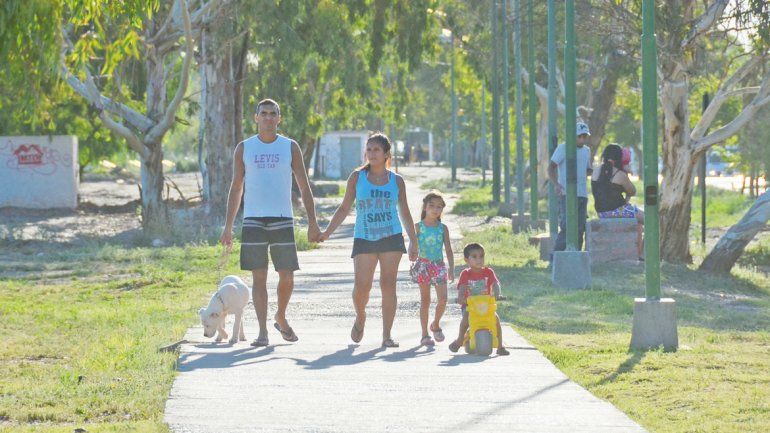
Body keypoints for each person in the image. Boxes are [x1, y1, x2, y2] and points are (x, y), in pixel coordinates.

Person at [220, 98, 321, 347]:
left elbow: (303, 186)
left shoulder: (290, 147)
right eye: (263, 113)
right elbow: (236, 187)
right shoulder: (245, 148)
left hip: (282, 218)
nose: (267, 118)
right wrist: (228, 226)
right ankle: (263, 332)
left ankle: (280, 316)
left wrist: (313, 222)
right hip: (253, 220)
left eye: (272, 114)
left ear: (279, 118)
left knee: (286, 275)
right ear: (256, 118)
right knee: (259, 277)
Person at [321, 132, 418, 348]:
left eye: (376, 150)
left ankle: (387, 335)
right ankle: (361, 316)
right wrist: (327, 232)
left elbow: (404, 211)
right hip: (364, 237)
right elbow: (344, 207)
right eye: (369, 149)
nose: (372, 153)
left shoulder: (397, 181)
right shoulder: (357, 178)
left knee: (388, 285)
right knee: (362, 287)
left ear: (386, 154)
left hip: (391, 237)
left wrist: (413, 240)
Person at [448, 243, 510, 356]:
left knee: (496, 320)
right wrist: (461, 297)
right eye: (475, 256)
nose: (479, 259)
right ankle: (459, 340)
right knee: (466, 319)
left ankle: (500, 346)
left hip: (487, 306)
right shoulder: (466, 274)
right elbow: (462, 286)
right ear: (466, 259)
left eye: (481, 256)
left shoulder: (488, 272)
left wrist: (498, 294)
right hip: (470, 306)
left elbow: (496, 283)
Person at [410, 191, 455, 347]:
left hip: (439, 265)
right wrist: (411, 252)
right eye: (432, 206)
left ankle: (435, 324)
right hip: (423, 265)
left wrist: (452, 267)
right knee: (425, 300)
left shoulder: (443, 228)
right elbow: (412, 245)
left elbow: (448, 249)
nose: (435, 209)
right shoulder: (417, 227)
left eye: (439, 207)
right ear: (425, 207)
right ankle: (424, 334)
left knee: (443, 299)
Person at [591, 144, 645, 260]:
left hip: (601, 213)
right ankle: (642, 254)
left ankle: (638, 253)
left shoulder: (596, 171)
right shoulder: (619, 175)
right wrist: (626, 173)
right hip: (618, 211)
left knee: (639, 223)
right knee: (651, 220)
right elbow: (633, 191)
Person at [548, 121, 593, 253]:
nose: (582, 139)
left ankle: (576, 255)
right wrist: (556, 184)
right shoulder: (563, 148)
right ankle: (557, 256)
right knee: (567, 226)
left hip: (582, 194)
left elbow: (587, 169)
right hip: (566, 193)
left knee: (580, 227)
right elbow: (551, 167)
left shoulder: (586, 151)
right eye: (580, 136)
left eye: (585, 136)